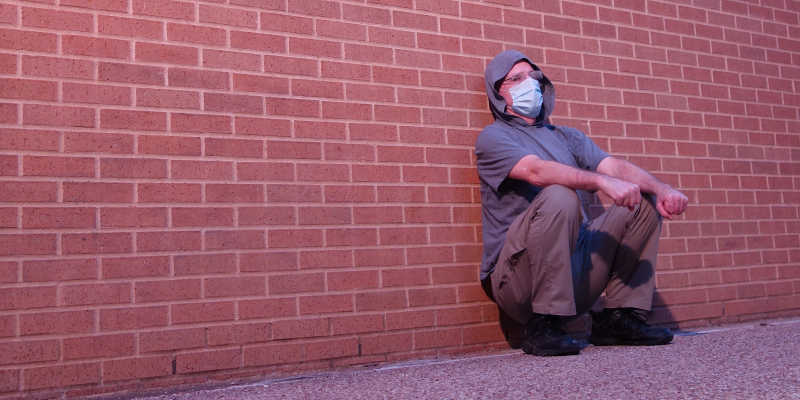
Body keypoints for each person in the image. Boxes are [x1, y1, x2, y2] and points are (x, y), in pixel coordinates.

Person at [476, 50, 689, 356]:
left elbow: (613, 166)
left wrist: (661, 188)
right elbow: (537, 171)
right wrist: (600, 183)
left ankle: (618, 318)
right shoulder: (493, 138)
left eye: (534, 77)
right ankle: (543, 324)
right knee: (559, 193)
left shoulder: (565, 136)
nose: (530, 84)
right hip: (516, 281)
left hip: (572, 273)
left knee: (641, 202)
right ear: (498, 93)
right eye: (517, 78)